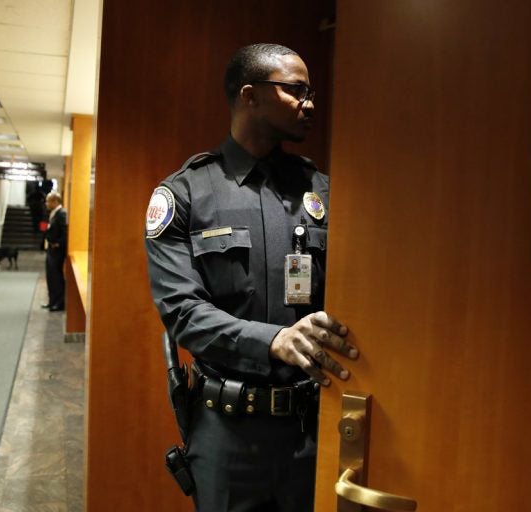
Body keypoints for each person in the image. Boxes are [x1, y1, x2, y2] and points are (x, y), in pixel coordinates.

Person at [144, 43, 359, 512]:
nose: (310, 103)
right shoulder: (185, 194)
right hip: (228, 436)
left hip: (312, 426)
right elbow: (182, 312)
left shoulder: (322, 190)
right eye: (295, 90)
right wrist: (272, 340)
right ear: (250, 96)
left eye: (310, 91)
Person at [42, 191, 67, 311]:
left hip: (57, 251)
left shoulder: (62, 214)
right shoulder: (52, 213)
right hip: (51, 249)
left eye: (48, 201)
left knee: (56, 276)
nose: (46, 203)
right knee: (51, 276)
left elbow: (66, 233)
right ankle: (52, 301)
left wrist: (58, 244)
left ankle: (59, 302)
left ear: (55, 201)